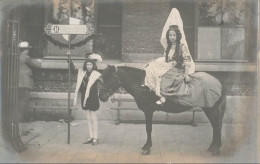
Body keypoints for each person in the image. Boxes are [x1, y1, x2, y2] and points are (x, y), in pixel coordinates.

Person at [143, 8, 195, 105]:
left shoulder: (181, 46)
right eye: (170, 35)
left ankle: (164, 97)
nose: (172, 37)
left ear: (178, 36)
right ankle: (152, 89)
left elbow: (187, 60)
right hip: (170, 67)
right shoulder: (169, 47)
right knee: (151, 66)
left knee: (164, 77)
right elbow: (166, 59)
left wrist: (186, 74)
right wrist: (157, 61)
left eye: (174, 35)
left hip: (178, 69)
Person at [68, 52, 102, 145]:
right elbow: (73, 70)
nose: (89, 66)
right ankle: (91, 137)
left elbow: (103, 83)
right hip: (85, 98)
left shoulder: (97, 74)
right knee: (88, 118)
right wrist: (69, 59)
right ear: (85, 65)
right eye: (87, 64)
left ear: (93, 65)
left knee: (93, 118)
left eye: (91, 64)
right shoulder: (82, 73)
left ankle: (96, 137)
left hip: (93, 98)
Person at [18, 41, 41, 122]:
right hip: (25, 82)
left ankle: (21, 117)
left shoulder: (18, 56)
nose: (28, 50)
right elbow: (37, 65)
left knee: (20, 100)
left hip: (19, 82)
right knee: (24, 100)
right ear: (25, 49)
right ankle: (22, 118)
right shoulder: (25, 57)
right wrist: (39, 61)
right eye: (27, 49)